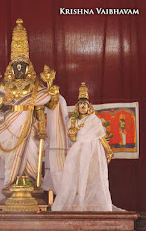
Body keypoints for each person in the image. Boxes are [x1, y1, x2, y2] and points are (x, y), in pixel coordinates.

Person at [0, 19, 69, 210]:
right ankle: (11, 186)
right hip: (8, 128)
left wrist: (52, 91)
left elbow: (50, 103)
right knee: (10, 160)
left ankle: (30, 186)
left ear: (28, 69)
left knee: (33, 153)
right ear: (11, 69)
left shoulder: (36, 87)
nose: (19, 70)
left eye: (23, 67)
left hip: (31, 129)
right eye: (16, 66)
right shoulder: (3, 87)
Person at [52, 82, 115, 211]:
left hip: (93, 151)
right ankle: (78, 200)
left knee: (92, 176)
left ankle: (90, 200)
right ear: (77, 106)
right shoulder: (73, 121)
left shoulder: (94, 120)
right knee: (76, 176)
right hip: (78, 151)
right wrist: (73, 131)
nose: (82, 106)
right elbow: (73, 139)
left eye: (85, 104)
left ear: (89, 107)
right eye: (80, 104)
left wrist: (108, 151)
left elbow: (101, 137)